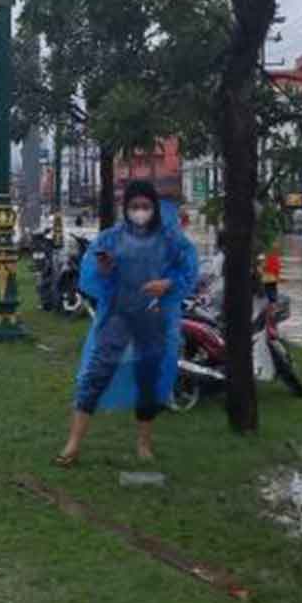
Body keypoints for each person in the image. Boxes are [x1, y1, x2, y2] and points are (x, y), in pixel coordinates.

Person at [55, 180, 199, 466]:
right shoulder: (111, 238)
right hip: (118, 315)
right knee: (96, 373)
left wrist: (167, 283)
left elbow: (188, 270)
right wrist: (105, 269)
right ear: (125, 208)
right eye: (134, 206)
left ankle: (144, 444)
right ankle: (73, 443)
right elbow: (92, 278)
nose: (140, 211)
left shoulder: (170, 240)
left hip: (153, 317)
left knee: (148, 376)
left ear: (154, 207)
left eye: (145, 206)